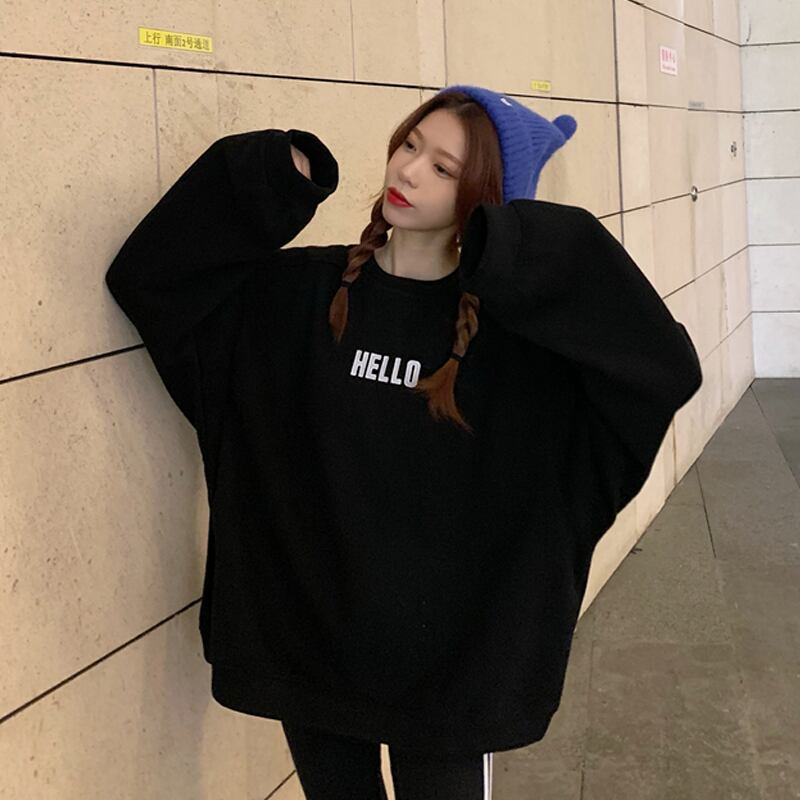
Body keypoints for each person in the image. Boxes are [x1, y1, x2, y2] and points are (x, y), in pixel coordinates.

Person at [104, 84, 703, 799]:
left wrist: (525, 245)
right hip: (310, 648)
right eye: (410, 144)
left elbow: (659, 370)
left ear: (487, 197)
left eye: (444, 168)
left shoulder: (523, 349)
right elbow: (156, 280)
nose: (409, 171)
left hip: (454, 674)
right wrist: (267, 178)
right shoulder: (299, 296)